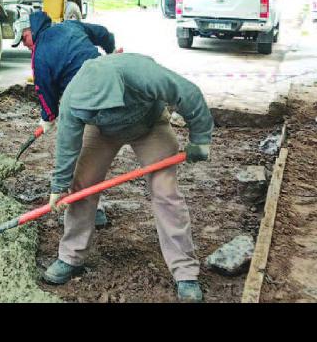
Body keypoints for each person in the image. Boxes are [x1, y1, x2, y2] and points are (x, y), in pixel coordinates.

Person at [41, 53, 213, 303]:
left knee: (166, 192)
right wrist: (58, 185)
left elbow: (188, 93)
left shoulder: (141, 74)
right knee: (82, 188)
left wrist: (200, 138)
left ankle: (185, 272)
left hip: (149, 126)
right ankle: (71, 256)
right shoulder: (72, 100)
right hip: (102, 133)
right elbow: (67, 144)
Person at [17, 10, 118, 227]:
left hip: (84, 100)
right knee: (94, 150)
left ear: (31, 31)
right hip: (111, 85)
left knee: (79, 151)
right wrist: (109, 52)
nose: (24, 45)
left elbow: (44, 91)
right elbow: (103, 34)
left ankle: (91, 211)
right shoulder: (70, 26)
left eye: (24, 39)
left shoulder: (40, 56)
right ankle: (93, 206)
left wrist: (48, 118)